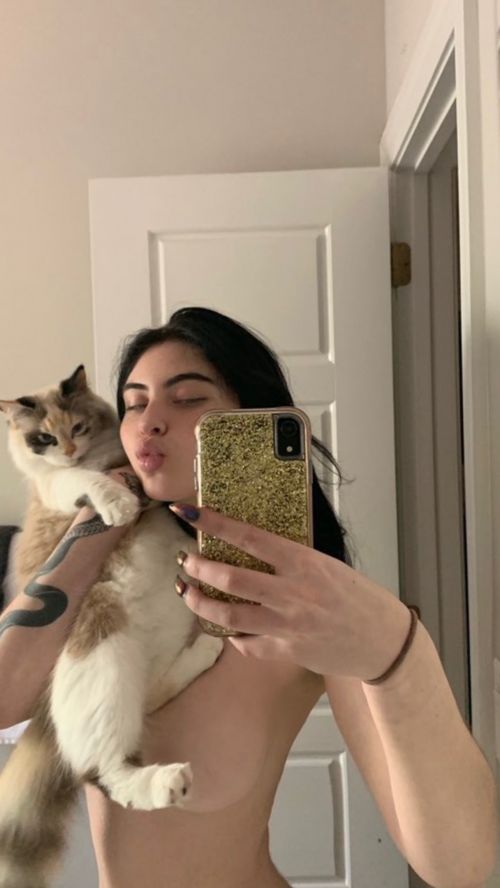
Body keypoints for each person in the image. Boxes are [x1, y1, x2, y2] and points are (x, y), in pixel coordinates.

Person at [0, 307, 497, 888]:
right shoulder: (100, 576)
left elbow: (459, 865)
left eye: (187, 398)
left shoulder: (305, 610)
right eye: (134, 403)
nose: (149, 422)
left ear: (252, 422)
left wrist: (401, 654)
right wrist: (101, 515)